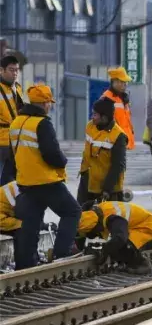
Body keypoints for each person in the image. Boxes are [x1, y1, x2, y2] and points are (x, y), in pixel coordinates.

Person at [11, 84, 81, 269]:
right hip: (46, 181)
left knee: (30, 225)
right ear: (44, 103)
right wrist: (63, 161)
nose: (50, 106)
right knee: (72, 211)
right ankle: (60, 256)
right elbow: (52, 154)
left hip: (25, 182)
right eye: (49, 102)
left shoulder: (16, 122)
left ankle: (25, 267)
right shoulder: (42, 123)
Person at [77, 202, 152, 274]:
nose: (97, 234)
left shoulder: (113, 219)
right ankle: (123, 262)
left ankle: (143, 264)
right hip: (136, 228)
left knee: (123, 245)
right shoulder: (95, 213)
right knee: (114, 245)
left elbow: (120, 238)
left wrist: (105, 250)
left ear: (97, 226)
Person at [78, 99, 129, 207]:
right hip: (87, 182)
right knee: (82, 217)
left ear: (104, 117)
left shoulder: (118, 136)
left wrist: (107, 190)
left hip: (107, 189)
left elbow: (118, 165)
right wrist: (83, 173)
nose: (92, 117)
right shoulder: (90, 126)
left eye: (95, 114)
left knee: (106, 220)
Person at [0, 54, 25, 185]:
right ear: (1, 70)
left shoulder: (18, 88)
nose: (15, 73)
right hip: (2, 141)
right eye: (11, 70)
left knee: (12, 180)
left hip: (16, 141)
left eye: (17, 70)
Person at [99, 67, 136, 150]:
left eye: (125, 82)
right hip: (112, 143)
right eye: (122, 82)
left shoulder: (123, 99)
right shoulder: (106, 98)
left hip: (123, 143)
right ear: (114, 82)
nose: (125, 84)